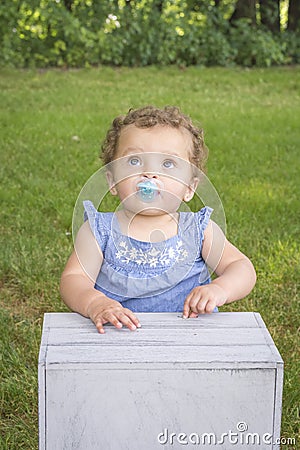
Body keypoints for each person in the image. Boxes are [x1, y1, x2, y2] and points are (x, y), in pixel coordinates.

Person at [60, 106, 256, 334]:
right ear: (112, 181)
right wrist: (95, 303)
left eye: (168, 164)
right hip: (120, 336)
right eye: (134, 161)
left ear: (190, 188)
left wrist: (220, 289)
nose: (150, 173)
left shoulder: (198, 230)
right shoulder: (98, 230)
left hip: (191, 335)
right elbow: (74, 279)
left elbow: (241, 267)